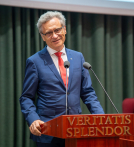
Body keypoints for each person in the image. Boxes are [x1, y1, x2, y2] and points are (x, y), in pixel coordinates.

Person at [19, 11, 104, 147]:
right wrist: (33, 119)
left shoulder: (78, 57)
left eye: (57, 30)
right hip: (48, 132)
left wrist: (101, 117)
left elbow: (87, 92)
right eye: (48, 33)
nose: (54, 35)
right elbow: (26, 98)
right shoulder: (35, 61)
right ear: (43, 37)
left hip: (76, 130)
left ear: (64, 29)